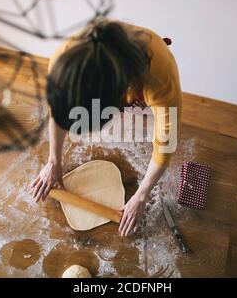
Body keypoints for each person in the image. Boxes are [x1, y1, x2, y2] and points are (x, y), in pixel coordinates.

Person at [30, 20, 182, 237]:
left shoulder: (160, 78)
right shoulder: (64, 61)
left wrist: (141, 195)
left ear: (118, 103)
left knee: (151, 118)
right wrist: (54, 160)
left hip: (143, 88)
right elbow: (59, 110)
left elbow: (165, 144)